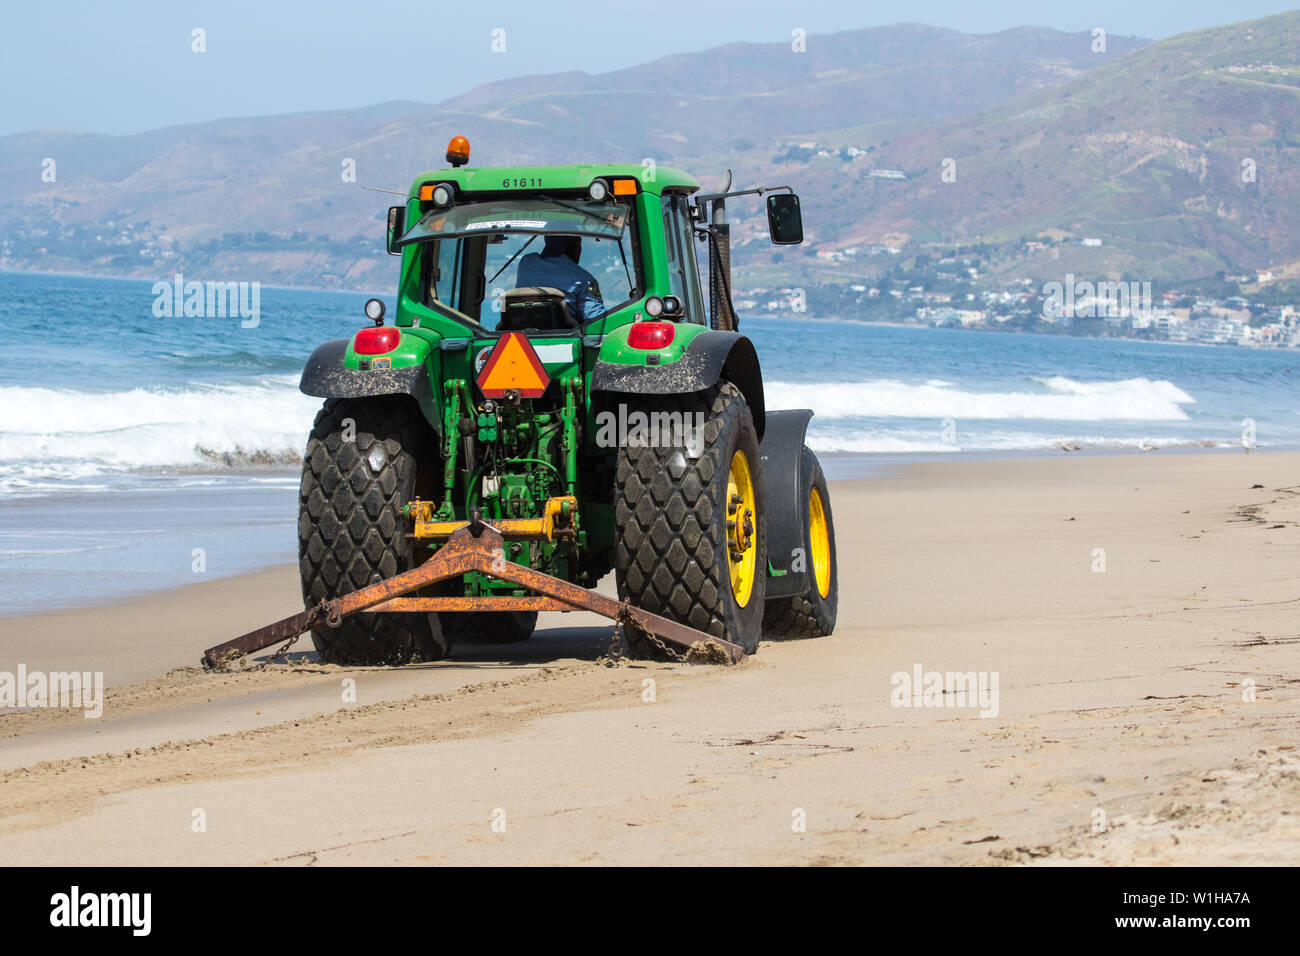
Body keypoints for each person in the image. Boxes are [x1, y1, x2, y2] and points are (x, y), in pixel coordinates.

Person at [516, 234, 605, 321]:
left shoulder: (526, 263)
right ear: (574, 246)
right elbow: (597, 318)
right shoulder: (584, 279)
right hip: (565, 334)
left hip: (521, 330)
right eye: (579, 243)